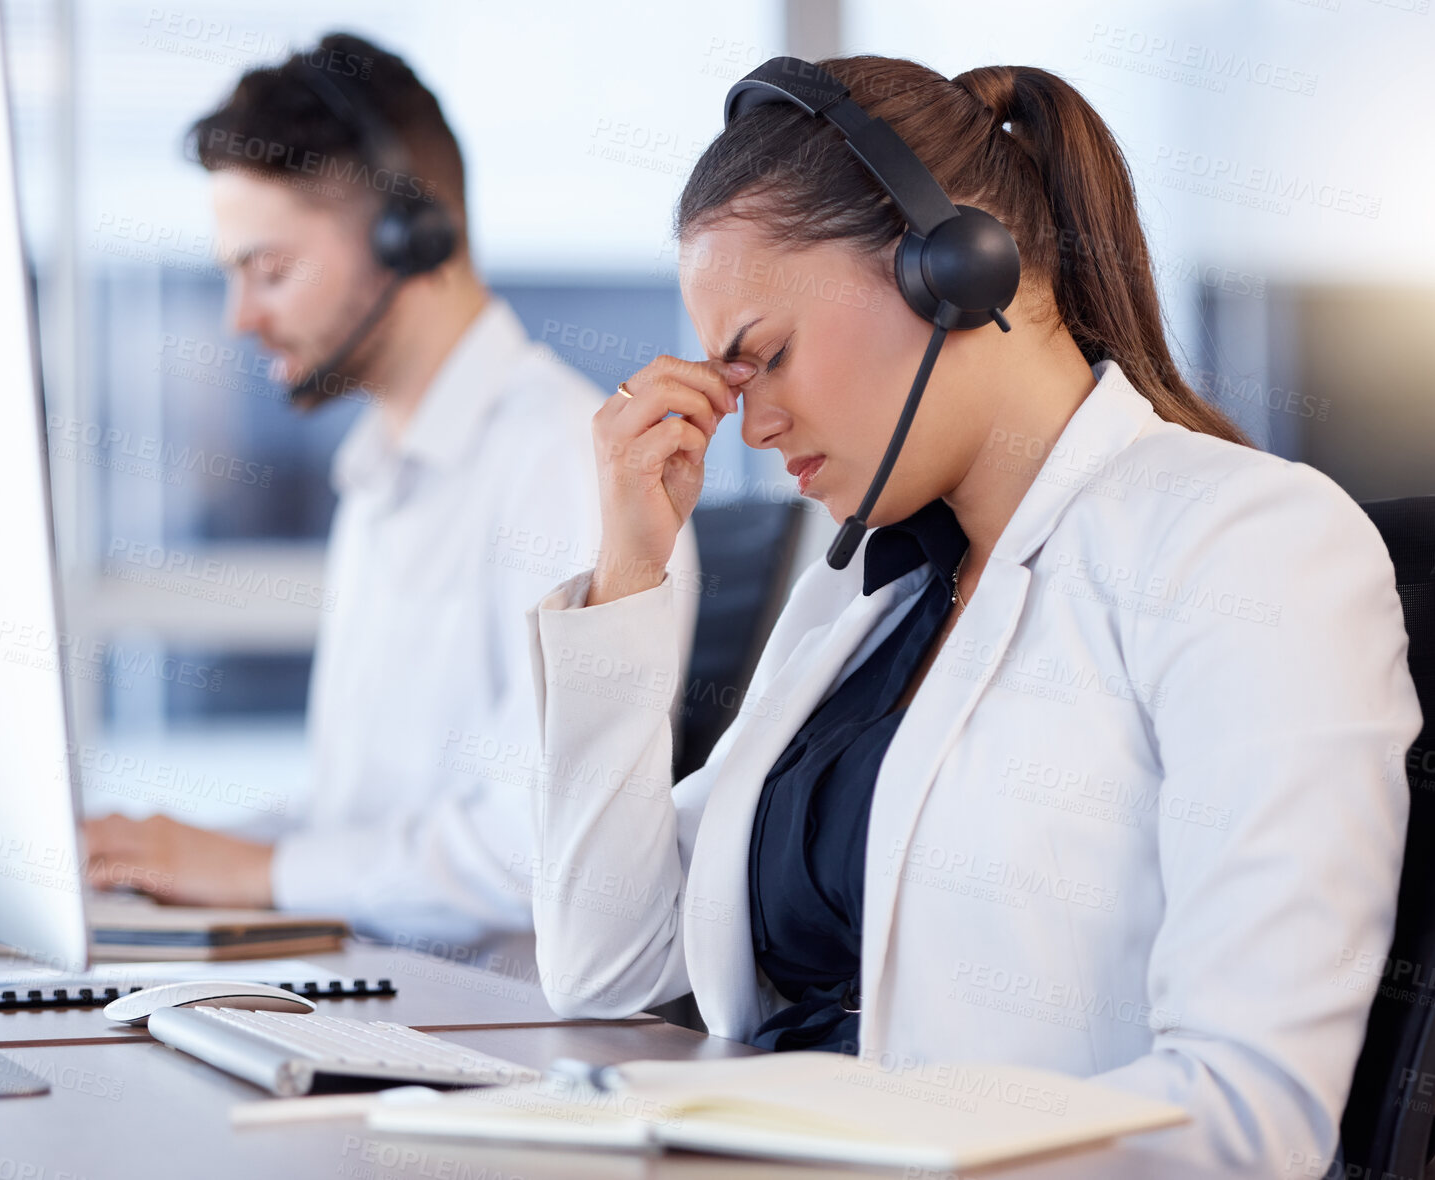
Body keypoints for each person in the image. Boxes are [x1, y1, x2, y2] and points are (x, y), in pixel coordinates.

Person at [522, 55, 1419, 1173]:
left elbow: (1249, 1115)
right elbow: (607, 965)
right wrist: (627, 576)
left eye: (768, 357)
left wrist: (843, 1141)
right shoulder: (862, 600)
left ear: (951, 270)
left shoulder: (1244, 544)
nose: (750, 427)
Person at [83, 33, 699, 946]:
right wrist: (169, 855)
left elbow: (531, 843)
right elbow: (366, 818)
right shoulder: (379, 475)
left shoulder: (562, 464)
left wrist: (256, 872)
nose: (240, 317)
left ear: (409, 236)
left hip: (488, 1040)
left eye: (272, 269)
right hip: (383, 996)